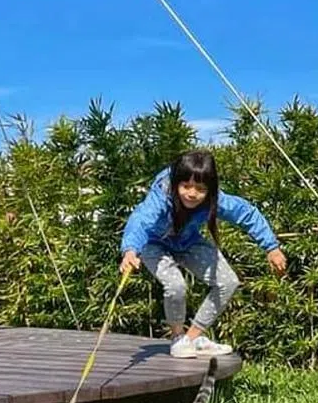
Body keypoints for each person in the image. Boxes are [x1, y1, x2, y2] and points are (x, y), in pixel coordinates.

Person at [120, 150, 286, 358]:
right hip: (154, 244)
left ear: (210, 189)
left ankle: (191, 339)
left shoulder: (216, 200)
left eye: (200, 189)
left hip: (188, 241)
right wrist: (130, 250)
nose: (192, 194)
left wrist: (271, 247)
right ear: (176, 183)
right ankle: (177, 338)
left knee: (228, 282)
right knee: (176, 286)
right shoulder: (161, 196)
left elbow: (247, 213)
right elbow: (141, 220)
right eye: (186, 186)